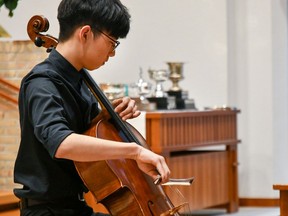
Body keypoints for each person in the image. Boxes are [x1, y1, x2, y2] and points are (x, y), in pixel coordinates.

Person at [13, 0, 171, 215]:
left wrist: (105, 117)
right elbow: (61, 142)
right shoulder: (42, 82)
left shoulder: (79, 81)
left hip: (74, 207)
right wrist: (135, 151)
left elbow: (82, 132)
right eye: (112, 42)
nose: (112, 52)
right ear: (85, 33)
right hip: (47, 211)